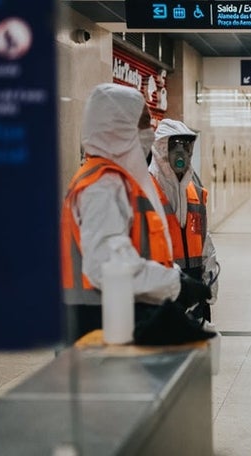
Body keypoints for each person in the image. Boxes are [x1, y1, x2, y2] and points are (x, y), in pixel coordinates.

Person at [60, 83, 211, 344]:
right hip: (95, 327)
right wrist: (176, 284)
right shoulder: (101, 186)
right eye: (142, 123)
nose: (149, 133)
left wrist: (176, 277)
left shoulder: (120, 181)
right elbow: (110, 268)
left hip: (119, 318)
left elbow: (138, 251)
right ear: (117, 126)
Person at [148, 118, 219, 322]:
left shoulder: (194, 191)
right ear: (161, 149)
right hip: (159, 287)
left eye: (186, 146)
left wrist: (210, 278)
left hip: (194, 283)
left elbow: (204, 238)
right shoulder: (145, 190)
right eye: (174, 146)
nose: (181, 153)